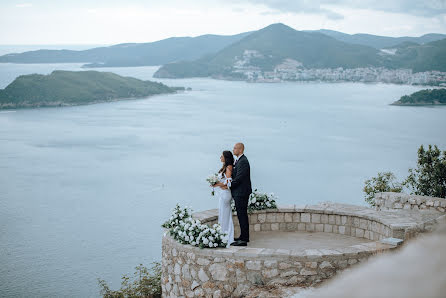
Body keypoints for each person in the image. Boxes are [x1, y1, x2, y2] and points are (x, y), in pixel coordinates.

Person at [229, 142, 252, 246]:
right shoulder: (239, 161)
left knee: (242, 215)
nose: (233, 150)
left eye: (235, 148)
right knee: (241, 215)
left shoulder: (243, 161)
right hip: (240, 192)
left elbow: (238, 179)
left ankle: (244, 239)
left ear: (240, 150)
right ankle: (243, 237)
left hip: (241, 193)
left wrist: (228, 185)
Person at [212, 150, 235, 247]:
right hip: (222, 193)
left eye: (222, 156)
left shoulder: (229, 167)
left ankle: (227, 236)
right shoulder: (225, 167)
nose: (220, 157)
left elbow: (229, 183)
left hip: (226, 194)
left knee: (225, 215)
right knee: (222, 214)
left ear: (226, 157)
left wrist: (217, 184)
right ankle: (223, 235)